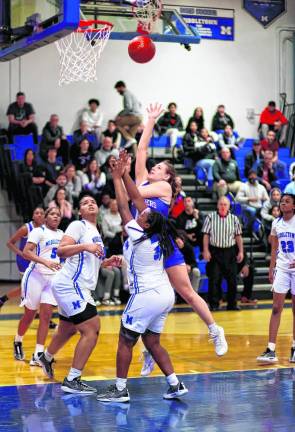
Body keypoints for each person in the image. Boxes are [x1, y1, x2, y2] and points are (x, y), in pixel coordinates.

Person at [131, 103, 228, 373]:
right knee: (146, 297)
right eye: (156, 165)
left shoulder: (162, 187)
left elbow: (135, 196)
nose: (155, 167)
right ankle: (150, 348)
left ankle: (215, 329)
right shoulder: (142, 181)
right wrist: (149, 120)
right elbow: (141, 149)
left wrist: (124, 183)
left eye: (160, 167)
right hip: (142, 248)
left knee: (186, 291)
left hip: (162, 244)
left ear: (168, 176)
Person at [96, 158, 188, 402]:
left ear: (147, 223)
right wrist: (121, 258)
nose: (140, 213)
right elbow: (140, 258)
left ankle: (120, 388)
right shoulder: (159, 235)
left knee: (126, 339)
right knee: (152, 340)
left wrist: (117, 177)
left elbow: (125, 206)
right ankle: (175, 383)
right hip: (165, 295)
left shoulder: (139, 230)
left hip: (145, 295)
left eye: (144, 215)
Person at [38, 194, 121, 394]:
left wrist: (105, 262)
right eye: (85, 203)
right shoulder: (78, 225)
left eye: (93, 201)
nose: (90, 203)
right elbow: (61, 250)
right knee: (92, 329)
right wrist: (85, 246)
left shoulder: (95, 231)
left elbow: (88, 260)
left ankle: (46, 357)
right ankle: (72, 379)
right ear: (80, 211)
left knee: (68, 329)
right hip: (71, 285)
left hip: (76, 285)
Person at [13, 207, 63, 364]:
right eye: (52, 214)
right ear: (46, 218)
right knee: (29, 314)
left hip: (52, 278)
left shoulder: (62, 235)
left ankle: (38, 354)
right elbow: (27, 252)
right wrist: (45, 261)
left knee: (46, 315)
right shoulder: (38, 231)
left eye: (58, 215)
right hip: (35, 276)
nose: (55, 217)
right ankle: (18, 340)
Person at [256, 193, 295, 364]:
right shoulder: (276, 223)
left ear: (294, 206)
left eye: (287, 202)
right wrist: (271, 268)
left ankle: (294, 348)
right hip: (281, 268)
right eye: (281, 201)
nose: (282, 204)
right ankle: (271, 349)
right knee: (276, 307)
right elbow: (274, 248)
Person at [203, 196, 244, 311]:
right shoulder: (210, 217)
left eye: (225, 204)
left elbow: (238, 236)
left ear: (229, 206)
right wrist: (206, 250)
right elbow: (206, 235)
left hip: (230, 252)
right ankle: (214, 304)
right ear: (217, 205)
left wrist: (240, 251)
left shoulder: (234, 219)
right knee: (214, 279)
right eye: (221, 204)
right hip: (215, 251)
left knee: (232, 280)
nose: (223, 206)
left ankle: (232, 304)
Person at [1, 207, 45, 310]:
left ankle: (3, 299)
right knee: (30, 288)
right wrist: (22, 254)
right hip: (25, 262)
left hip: (37, 261)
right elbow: (9, 243)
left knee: (30, 288)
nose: (39, 215)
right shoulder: (26, 228)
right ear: (33, 216)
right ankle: (35, 313)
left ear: (45, 216)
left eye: (41, 213)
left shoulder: (45, 229)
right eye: (37, 213)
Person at [114, 81, 142, 151]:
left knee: (116, 123)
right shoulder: (131, 94)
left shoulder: (126, 94)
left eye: (118, 90)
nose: (118, 92)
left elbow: (128, 108)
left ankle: (130, 140)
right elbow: (139, 104)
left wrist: (119, 115)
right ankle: (136, 157)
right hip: (139, 117)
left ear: (121, 87)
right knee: (131, 137)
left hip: (135, 117)